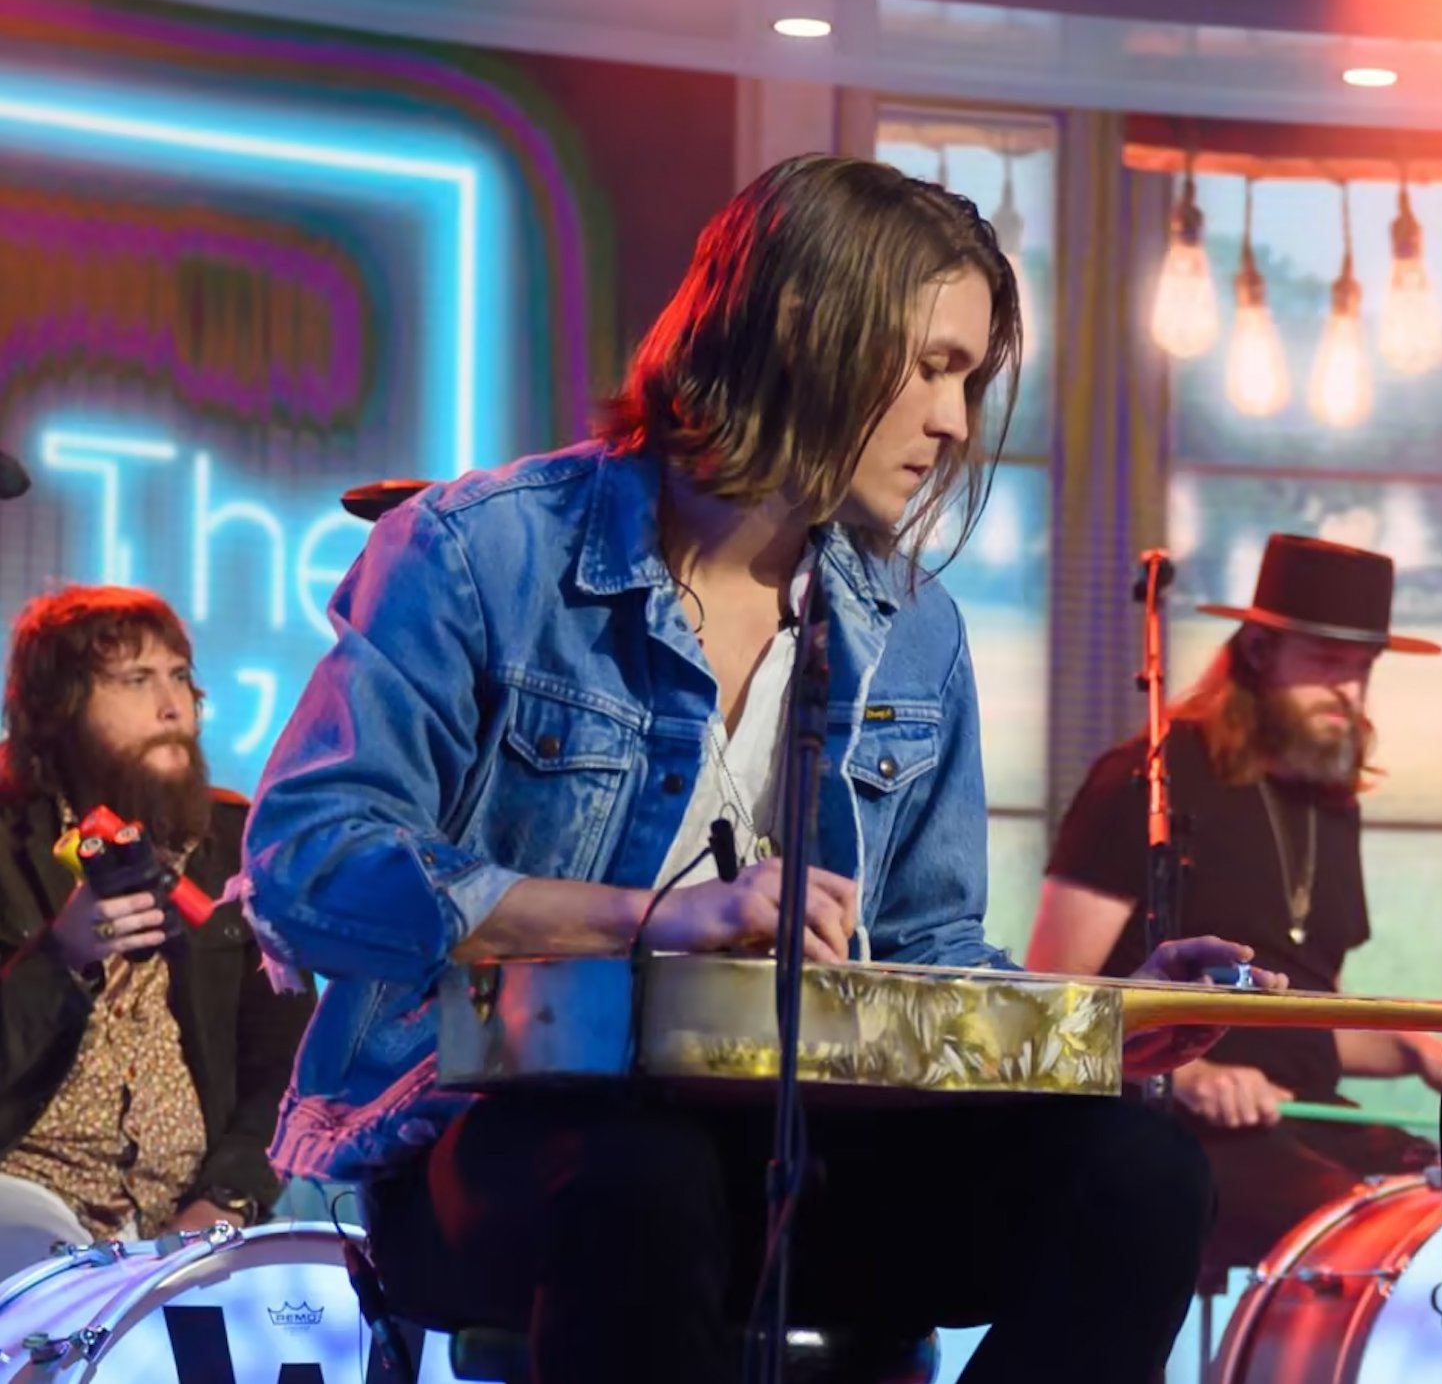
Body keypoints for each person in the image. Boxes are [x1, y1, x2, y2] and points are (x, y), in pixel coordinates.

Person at [236, 154, 1273, 1383]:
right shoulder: (479, 551)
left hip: (802, 1146)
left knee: (1138, 1174)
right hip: (501, 1137)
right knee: (642, 1172)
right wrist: (654, 921)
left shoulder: (914, 628)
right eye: (932, 366)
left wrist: (1101, 1027)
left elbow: (928, 961)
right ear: (799, 327)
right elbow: (307, 860)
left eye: (969, 379)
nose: (953, 420)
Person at [1028, 532, 1442, 1275]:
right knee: (1369, 1240)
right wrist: (1185, 1076)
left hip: (1297, 1116)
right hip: (1159, 1124)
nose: (1350, 692)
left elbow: (1307, 1026)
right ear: (1257, 653)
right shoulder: (1146, 778)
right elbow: (1050, 1001)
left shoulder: (1330, 801)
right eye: (1327, 665)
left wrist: (1412, 1040)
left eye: (1362, 671)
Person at [0, 585, 311, 1274]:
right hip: (23, 1216)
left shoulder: (232, 844)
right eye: (136, 681)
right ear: (58, 711)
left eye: (179, 678)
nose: (172, 706)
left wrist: (229, 1201)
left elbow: (285, 1065)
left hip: (180, 1230)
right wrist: (62, 954)